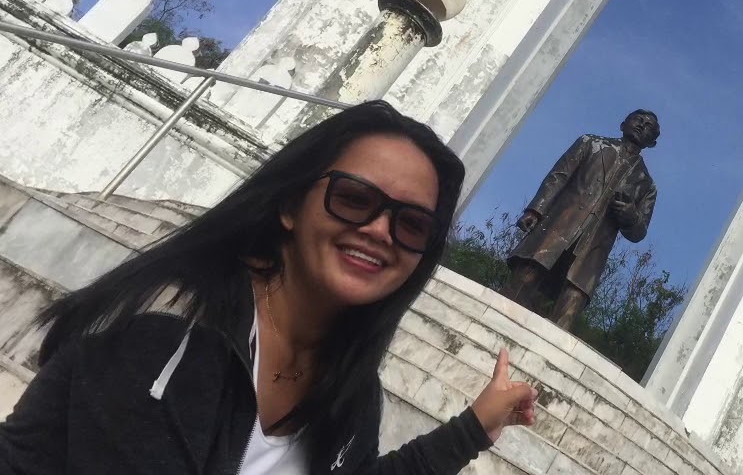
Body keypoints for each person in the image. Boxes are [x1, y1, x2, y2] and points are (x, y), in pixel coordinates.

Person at [0, 100, 537, 474]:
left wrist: (473, 428)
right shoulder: (172, 327)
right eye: (353, 197)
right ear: (289, 205)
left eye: (412, 224)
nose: (379, 231)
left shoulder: (348, 389)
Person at [501, 109, 659, 329]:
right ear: (623, 124)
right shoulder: (591, 143)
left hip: (592, 251)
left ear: (653, 143)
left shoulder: (647, 185)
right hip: (558, 228)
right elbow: (559, 176)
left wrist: (630, 215)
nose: (642, 125)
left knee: (568, 311)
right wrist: (535, 210)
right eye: (638, 120)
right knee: (522, 283)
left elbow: (638, 233)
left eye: (649, 125)